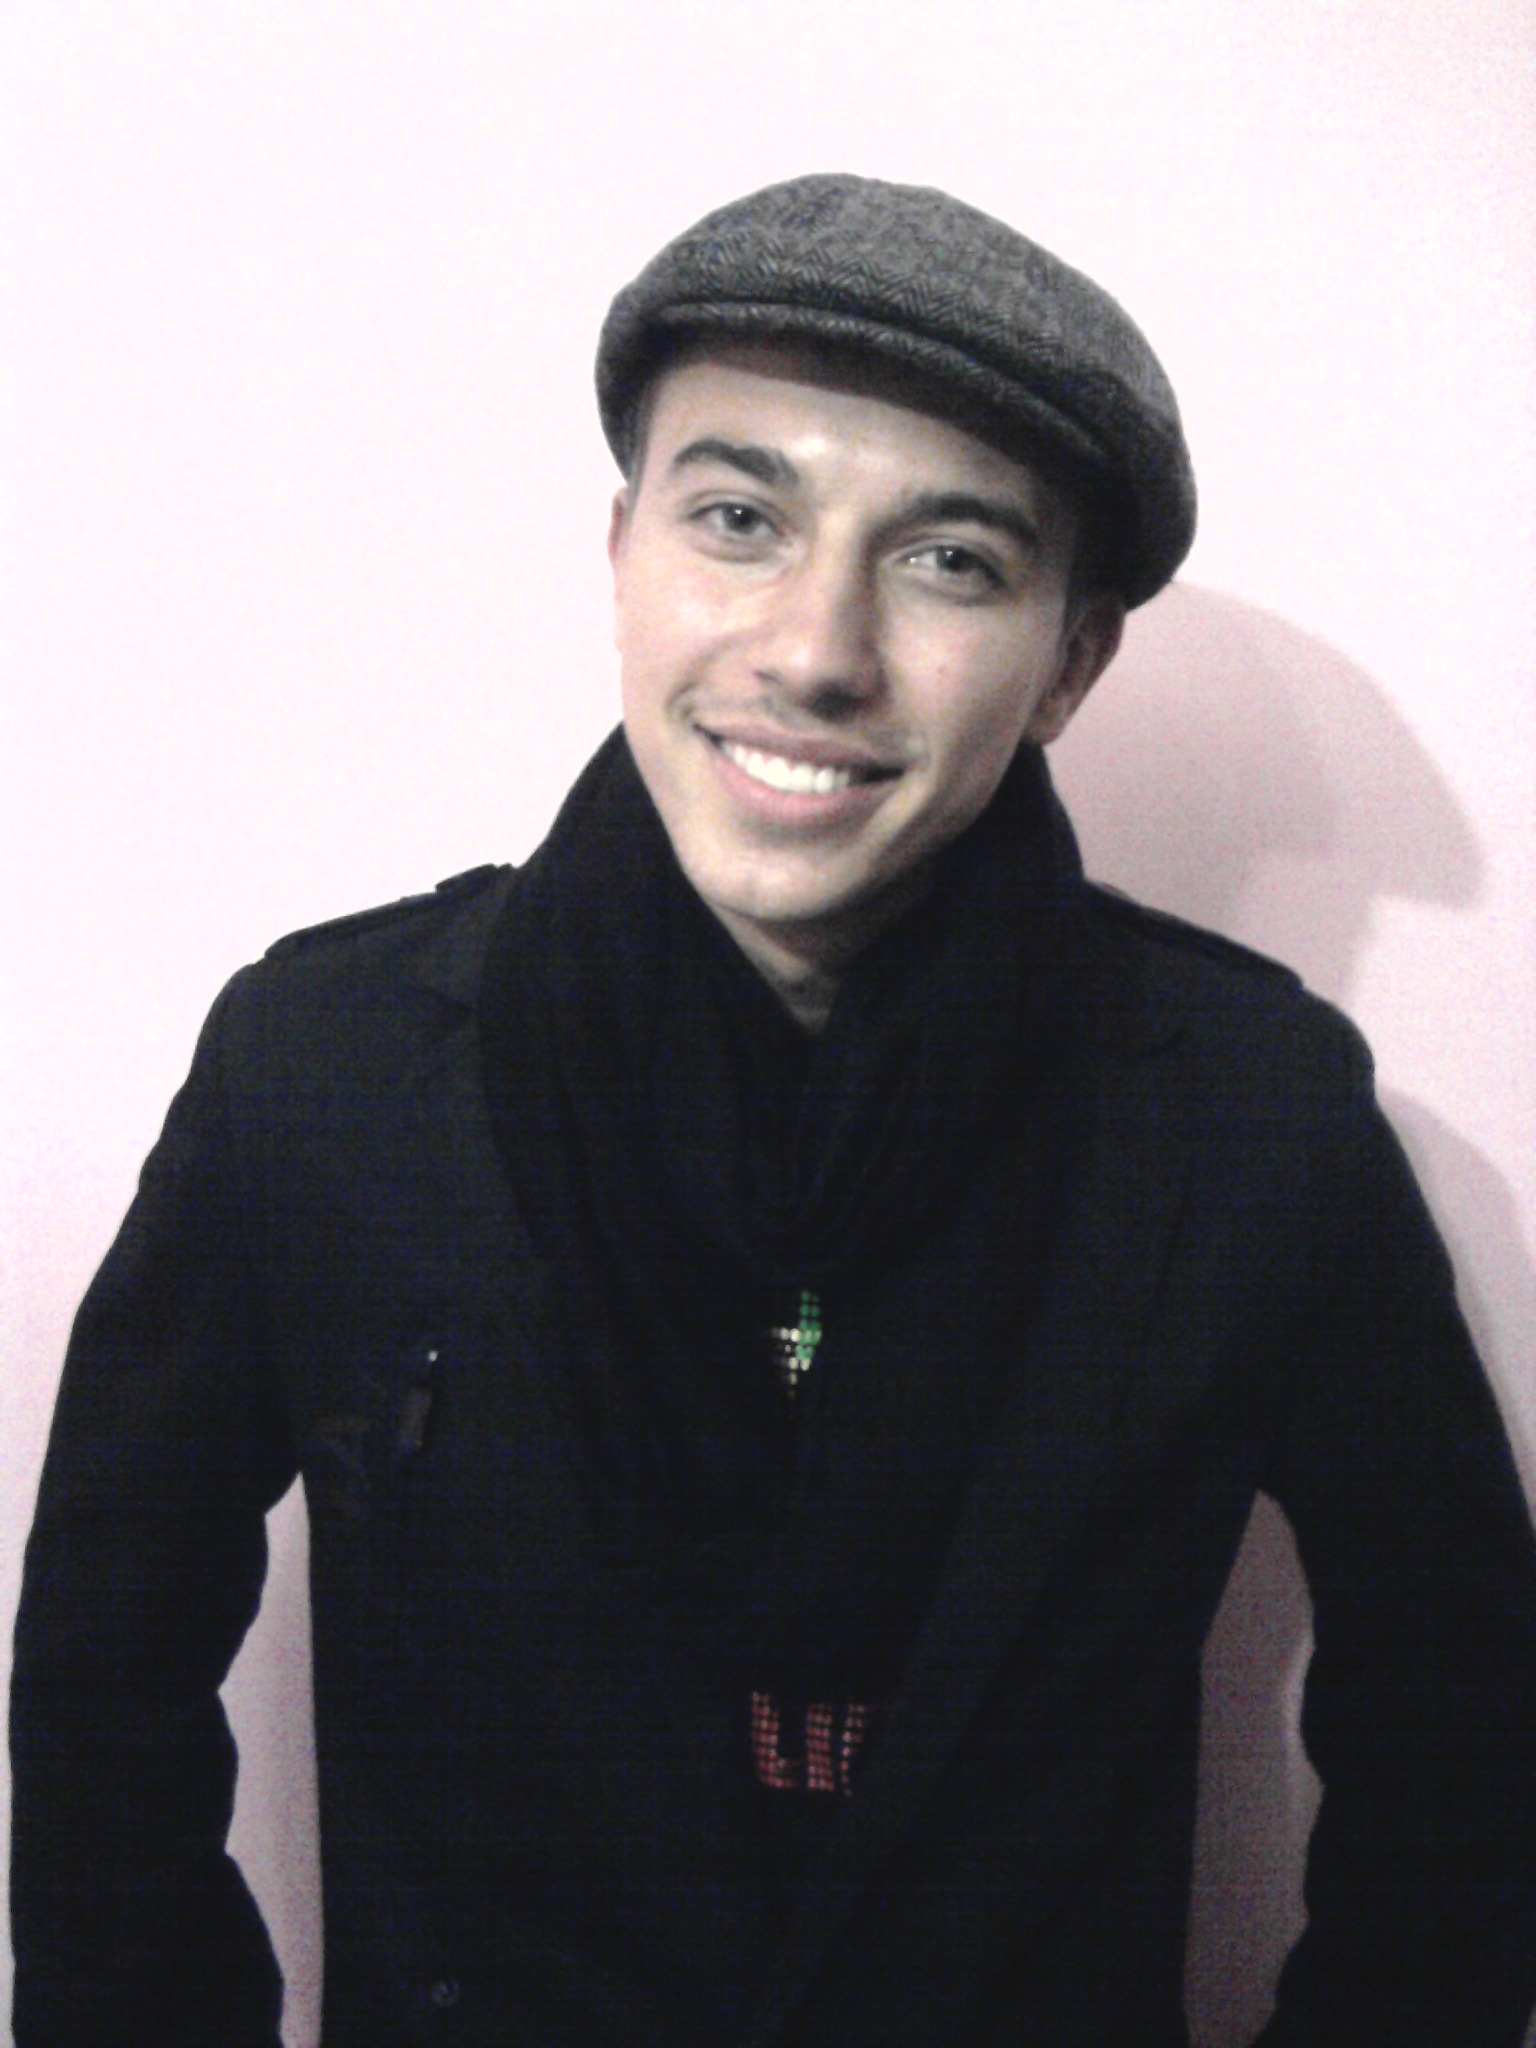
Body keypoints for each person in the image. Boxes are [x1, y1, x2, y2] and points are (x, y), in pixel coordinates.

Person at [11, 173, 1536, 2048]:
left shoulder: (1250, 1118)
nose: (816, 648)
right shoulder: (319, 1072)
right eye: (739, 518)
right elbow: (104, 1674)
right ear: (624, 551)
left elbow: (1459, 1704)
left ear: (1070, 662)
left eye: (951, 559)